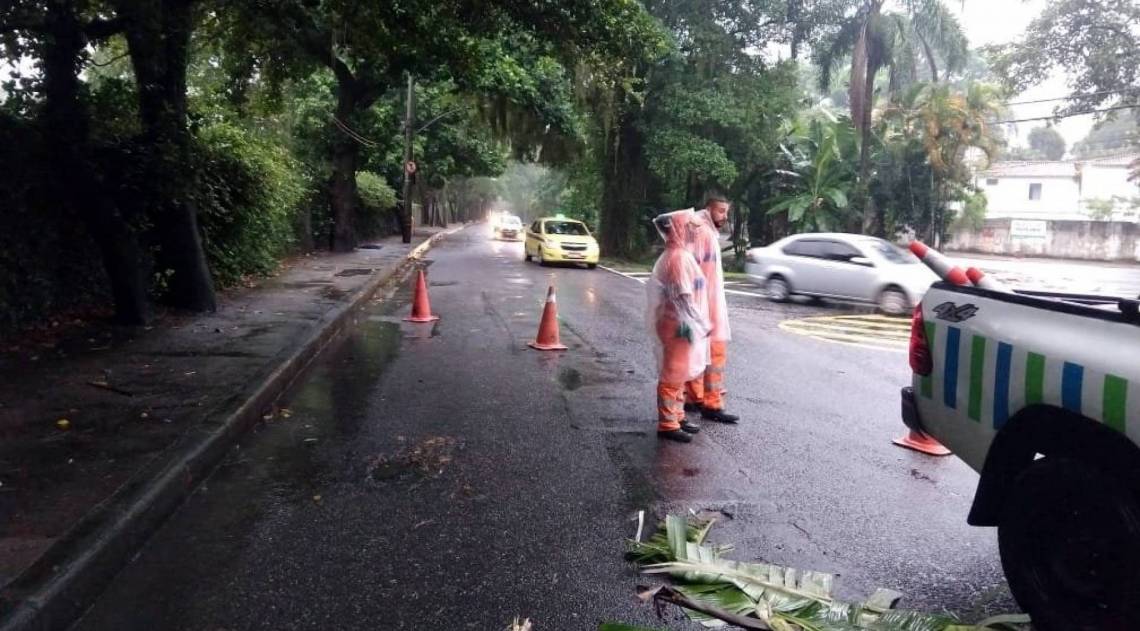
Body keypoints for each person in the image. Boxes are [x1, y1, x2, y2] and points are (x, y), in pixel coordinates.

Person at [647, 209, 710, 443]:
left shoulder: (681, 255)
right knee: (672, 374)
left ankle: (677, 416)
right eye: (690, 228)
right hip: (677, 325)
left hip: (681, 324)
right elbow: (683, 297)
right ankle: (667, 423)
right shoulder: (677, 259)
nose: (694, 233)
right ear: (678, 229)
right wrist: (700, 323)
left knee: (680, 373)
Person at [684, 195, 739, 424]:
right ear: (709, 209)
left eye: (726, 212)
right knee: (714, 354)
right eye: (721, 211)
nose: (724, 217)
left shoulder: (699, 228)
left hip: (701, 304)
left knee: (696, 352)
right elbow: (698, 271)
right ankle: (711, 404)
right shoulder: (702, 231)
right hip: (705, 305)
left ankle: (694, 398)